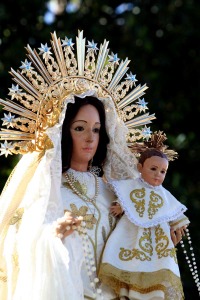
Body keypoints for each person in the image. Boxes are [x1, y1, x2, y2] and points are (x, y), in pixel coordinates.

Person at [0, 31, 183, 300]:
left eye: (96, 130)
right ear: (63, 133)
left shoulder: (117, 190)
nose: (89, 138)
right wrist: (53, 235)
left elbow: (133, 246)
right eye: (79, 128)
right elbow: (17, 243)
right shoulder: (47, 188)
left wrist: (159, 235)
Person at [98, 133, 190, 300]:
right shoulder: (132, 185)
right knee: (130, 262)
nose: (158, 175)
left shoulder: (164, 194)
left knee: (155, 265)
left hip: (156, 239)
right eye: (153, 169)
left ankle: (153, 294)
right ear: (140, 168)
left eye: (163, 171)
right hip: (130, 232)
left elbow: (174, 211)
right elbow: (126, 195)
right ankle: (128, 291)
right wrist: (121, 206)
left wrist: (178, 224)